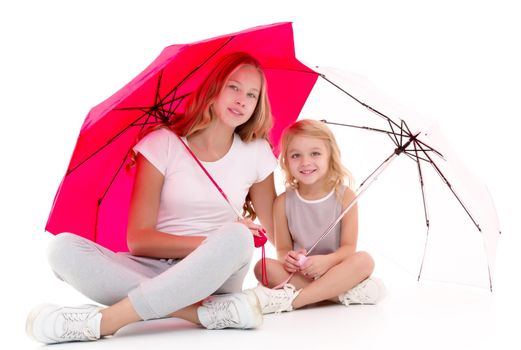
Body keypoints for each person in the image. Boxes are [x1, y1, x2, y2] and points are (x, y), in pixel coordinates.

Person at [26, 52, 278, 344]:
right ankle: (199, 313)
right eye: (233, 87)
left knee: (237, 237)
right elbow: (139, 240)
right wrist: (204, 243)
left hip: (214, 273)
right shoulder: (162, 144)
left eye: (252, 94)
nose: (242, 100)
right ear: (214, 89)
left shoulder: (257, 152)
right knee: (61, 249)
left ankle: (106, 321)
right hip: (155, 266)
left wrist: (316, 183)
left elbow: (277, 232)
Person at [248, 119, 386, 314]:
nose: (305, 162)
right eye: (296, 155)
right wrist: (290, 259)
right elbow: (283, 249)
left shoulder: (345, 196)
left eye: (315, 153)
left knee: (364, 260)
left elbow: (348, 248)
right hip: (301, 274)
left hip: (336, 270)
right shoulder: (282, 203)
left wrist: (326, 262)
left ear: (330, 156)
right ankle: (341, 295)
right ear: (285, 161)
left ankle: (293, 301)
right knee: (262, 267)